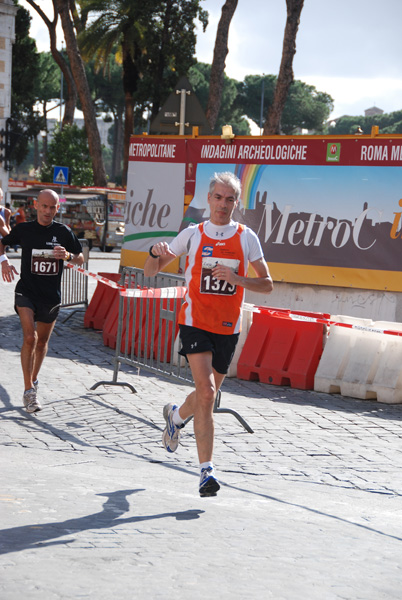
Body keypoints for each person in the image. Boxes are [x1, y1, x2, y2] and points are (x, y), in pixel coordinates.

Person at [143, 172, 273, 497]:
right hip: (195, 322)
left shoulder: (246, 238)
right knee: (206, 392)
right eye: (218, 197)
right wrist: (154, 252)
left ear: (236, 203)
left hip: (228, 328)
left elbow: (267, 283)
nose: (223, 204)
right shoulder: (192, 234)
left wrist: (236, 278)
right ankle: (206, 472)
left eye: (230, 199)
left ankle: (175, 417)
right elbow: (150, 271)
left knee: (206, 396)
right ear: (209, 198)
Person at [0, 189, 84, 414]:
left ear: (58, 208)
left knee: (41, 342)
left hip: (50, 296)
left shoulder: (63, 231)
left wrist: (67, 256)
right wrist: (4, 261)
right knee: (30, 337)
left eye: (52, 207)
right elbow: (2, 243)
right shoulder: (24, 229)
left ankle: (33, 380)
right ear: (36, 206)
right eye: (44, 206)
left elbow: (80, 257)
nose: (48, 211)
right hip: (26, 292)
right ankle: (28, 390)